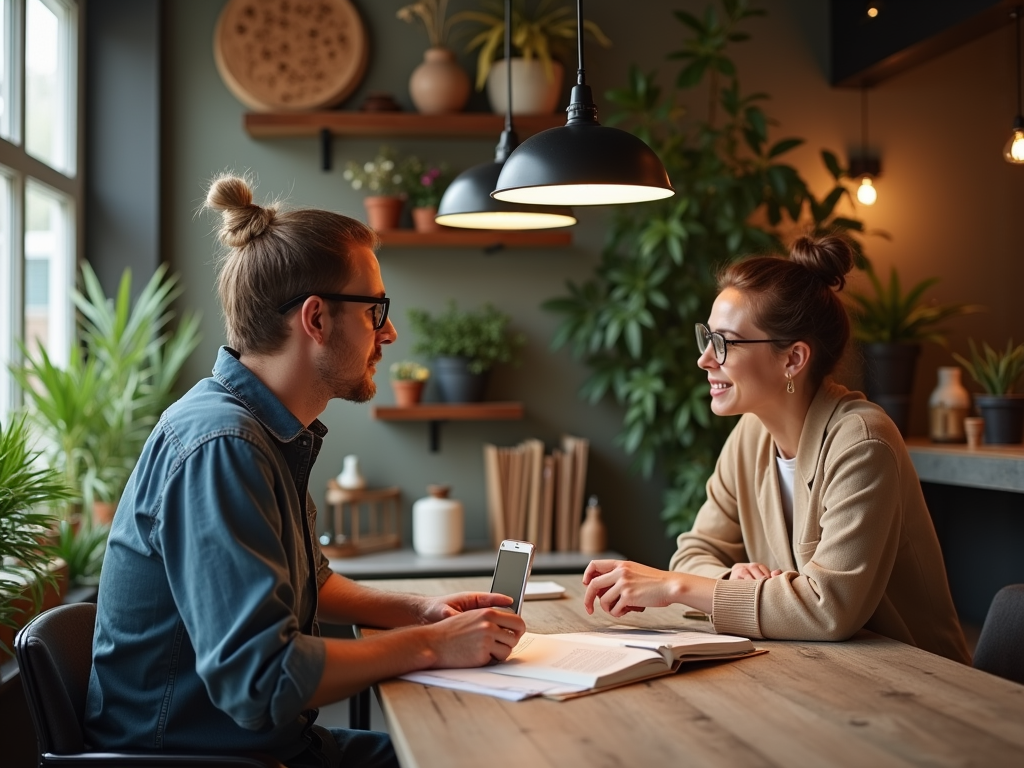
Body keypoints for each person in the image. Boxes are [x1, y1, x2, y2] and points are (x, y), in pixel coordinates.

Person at [84, 174, 526, 768]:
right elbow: (261, 681)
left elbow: (312, 582)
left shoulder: (262, 430)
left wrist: (423, 611)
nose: (388, 332)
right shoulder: (223, 445)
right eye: (376, 310)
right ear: (316, 319)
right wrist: (431, 645)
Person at [582, 234, 971, 664]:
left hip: (919, 682)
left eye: (725, 343)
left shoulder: (862, 442)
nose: (705, 359)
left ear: (793, 359)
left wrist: (674, 586)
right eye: (707, 337)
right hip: (824, 672)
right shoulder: (751, 435)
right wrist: (731, 578)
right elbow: (694, 551)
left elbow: (829, 608)